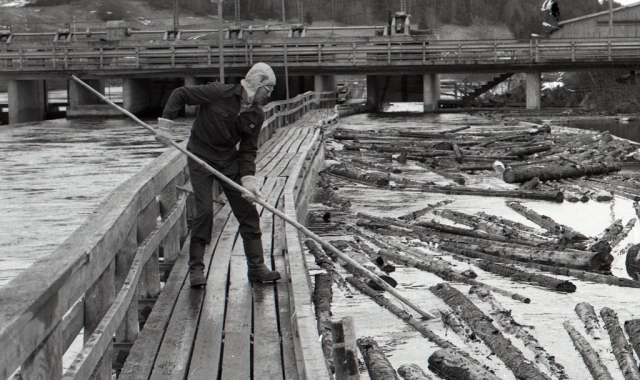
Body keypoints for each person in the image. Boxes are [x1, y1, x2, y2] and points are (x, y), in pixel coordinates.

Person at [156, 62, 280, 287]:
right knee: (204, 211)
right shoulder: (218, 92)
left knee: (248, 212)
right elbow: (180, 94)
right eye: (269, 89)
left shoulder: (256, 114)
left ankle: (256, 267)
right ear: (259, 83)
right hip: (200, 157)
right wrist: (165, 126)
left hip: (228, 160)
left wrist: (248, 180)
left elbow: (248, 149)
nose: (269, 95)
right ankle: (196, 270)